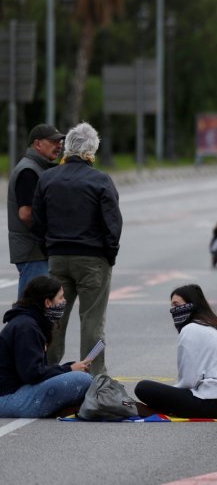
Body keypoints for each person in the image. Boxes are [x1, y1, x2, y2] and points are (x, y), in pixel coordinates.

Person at [32, 122, 121, 376]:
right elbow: (113, 224)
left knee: (54, 320)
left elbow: (38, 222)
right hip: (93, 260)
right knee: (93, 323)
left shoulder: (48, 179)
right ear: (92, 150)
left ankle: (47, 372)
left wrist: (50, 249)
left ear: (67, 149)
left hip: (58, 258)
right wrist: (109, 255)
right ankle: (94, 378)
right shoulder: (100, 180)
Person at [134, 285, 217, 418]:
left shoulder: (190, 329)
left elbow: (188, 381)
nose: (173, 310)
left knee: (143, 387)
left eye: (176, 304)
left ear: (191, 305)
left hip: (214, 403)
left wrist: (170, 396)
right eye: (172, 306)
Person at [0, 276, 93, 418]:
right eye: (61, 298)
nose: (64, 302)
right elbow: (32, 374)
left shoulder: (29, 322)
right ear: (47, 302)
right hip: (8, 398)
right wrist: (68, 370)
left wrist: (68, 368)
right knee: (82, 380)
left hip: (15, 391)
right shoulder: (26, 327)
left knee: (78, 377)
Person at [8, 124, 64, 297]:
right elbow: (26, 214)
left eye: (60, 141)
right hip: (32, 251)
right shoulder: (28, 171)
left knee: (37, 304)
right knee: (31, 305)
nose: (59, 145)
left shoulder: (38, 167)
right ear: (37, 144)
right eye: (53, 141)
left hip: (36, 250)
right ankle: (21, 325)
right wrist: (47, 234)